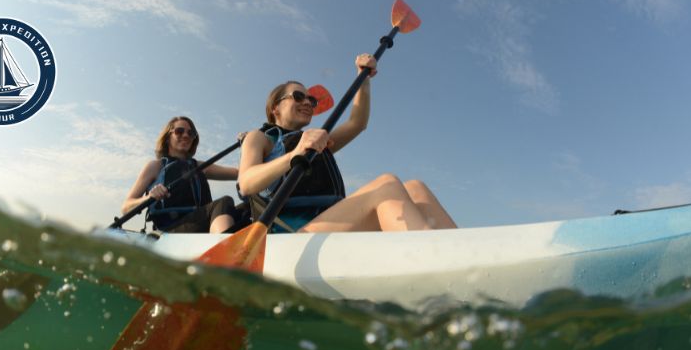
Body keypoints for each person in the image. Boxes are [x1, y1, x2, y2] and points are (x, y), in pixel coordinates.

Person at [237, 54, 457, 233]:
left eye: (311, 100)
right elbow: (246, 183)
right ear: (275, 107)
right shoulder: (259, 137)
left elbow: (356, 123)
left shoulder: (316, 141)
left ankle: (462, 258)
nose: (307, 102)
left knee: (415, 187)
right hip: (289, 236)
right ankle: (430, 261)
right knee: (387, 185)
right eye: (298, 96)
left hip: (327, 225)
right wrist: (294, 155)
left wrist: (364, 79)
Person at [123, 116, 239, 233]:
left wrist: (247, 144)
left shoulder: (200, 166)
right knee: (224, 202)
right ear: (168, 137)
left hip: (202, 224)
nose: (185, 135)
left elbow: (239, 173)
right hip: (170, 232)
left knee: (244, 211)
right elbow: (126, 207)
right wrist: (149, 197)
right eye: (179, 131)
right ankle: (222, 248)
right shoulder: (155, 166)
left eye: (191, 133)